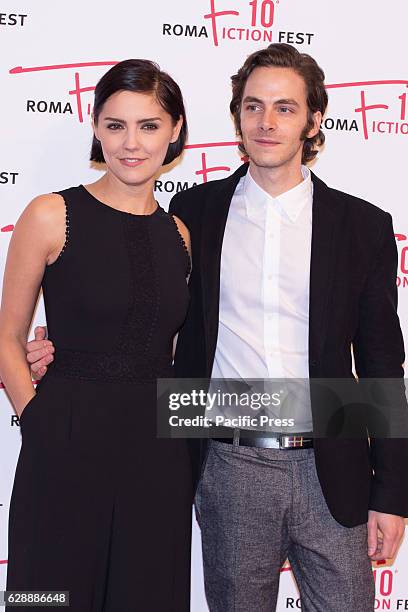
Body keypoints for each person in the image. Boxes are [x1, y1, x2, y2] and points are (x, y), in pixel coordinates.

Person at [27, 44, 408, 611]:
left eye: (284, 108)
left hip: (335, 466)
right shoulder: (193, 215)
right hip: (229, 466)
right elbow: (151, 314)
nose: (266, 122)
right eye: (252, 107)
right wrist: (70, 350)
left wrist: (392, 492)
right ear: (236, 117)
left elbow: (381, 362)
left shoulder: (364, 225)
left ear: (314, 120)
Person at [0, 59, 193, 611]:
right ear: (95, 126)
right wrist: (35, 417)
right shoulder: (50, 214)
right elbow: (8, 335)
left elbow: (173, 347)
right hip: (64, 444)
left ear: (175, 130)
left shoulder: (179, 233)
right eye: (115, 125)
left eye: (148, 126)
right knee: (48, 598)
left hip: (158, 457)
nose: (131, 143)